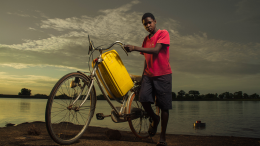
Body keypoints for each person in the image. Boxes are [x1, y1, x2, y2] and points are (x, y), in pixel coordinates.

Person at [124, 13, 172, 146]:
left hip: (163, 75)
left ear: (155, 21)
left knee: (164, 107)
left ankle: (162, 138)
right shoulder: (145, 40)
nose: (148, 25)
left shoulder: (163, 33)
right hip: (148, 75)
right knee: (143, 99)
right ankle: (154, 119)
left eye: (150, 22)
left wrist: (134, 48)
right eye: (145, 24)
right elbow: (146, 57)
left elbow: (156, 50)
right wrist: (143, 75)